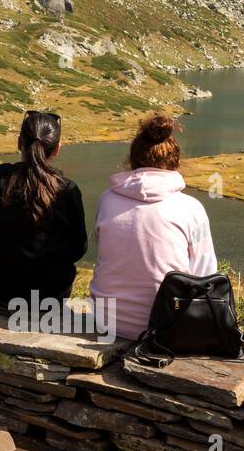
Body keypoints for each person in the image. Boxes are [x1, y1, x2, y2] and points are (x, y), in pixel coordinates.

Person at [90, 113, 217, 340]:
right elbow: (205, 277)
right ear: (176, 162)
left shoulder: (106, 200)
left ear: (132, 159)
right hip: (167, 327)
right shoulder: (191, 208)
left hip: (107, 321)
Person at [0, 110, 87, 310]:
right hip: (51, 295)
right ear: (57, 148)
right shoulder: (67, 190)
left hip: (3, 291)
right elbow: (79, 247)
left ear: (19, 142)